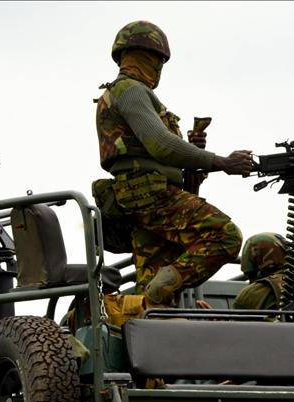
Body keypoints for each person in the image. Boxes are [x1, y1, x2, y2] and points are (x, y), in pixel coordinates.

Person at [95, 20, 252, 309]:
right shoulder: (130, 90)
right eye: (158, 61)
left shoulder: (126, 94)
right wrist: (222, 162)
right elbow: (161, 144)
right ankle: (157, 296)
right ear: (143, 55)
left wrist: (193, 154)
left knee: (154, 294)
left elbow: (155, 150)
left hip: (140, 198)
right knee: (225, 236)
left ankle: (146, 316)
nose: (159, 69)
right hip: (151, 193)